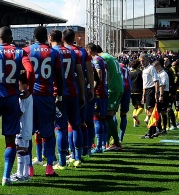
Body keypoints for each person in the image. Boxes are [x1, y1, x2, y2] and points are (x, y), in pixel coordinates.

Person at [0, 26, 30, 185]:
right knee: (10, 140)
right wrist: (29, 89)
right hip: (11, 99)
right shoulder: (20, 52)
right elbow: (30, 70)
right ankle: (6, 177)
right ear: (11, 39)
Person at [23, 26, 63, 177]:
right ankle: (50, 167)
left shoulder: (26, 50)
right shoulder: (53, 52)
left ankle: (29, 168)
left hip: (30, 96)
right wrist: (59, 97)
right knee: (49, 132)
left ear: (34, 36)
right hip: (46, 96)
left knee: (27, 132)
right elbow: (59, 78)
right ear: (46, 37)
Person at [49, 29, 85, 168]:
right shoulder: (72, 51)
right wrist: (82, 93)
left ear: (51, 37)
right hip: (73, 92)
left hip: (59, 94)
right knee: (76, 125)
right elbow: (80, 73)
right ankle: (77, 158)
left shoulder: (52, 52)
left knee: (60, 128)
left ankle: (62, 161)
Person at [92, 45, 123, 151]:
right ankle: (107, 142)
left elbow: (101, 74)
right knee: (109, 116)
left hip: (111, 88)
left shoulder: (101, 58)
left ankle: (115, 142)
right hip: (118, 87)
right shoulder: (110, 57)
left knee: (106, 117)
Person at [11, 71, 33, 182]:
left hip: (22, 127)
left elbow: (20, 112)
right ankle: (25, 174)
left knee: (19, 149)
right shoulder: (29, 94)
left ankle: (20, 174)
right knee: (25, 149)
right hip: (28, 127)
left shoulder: (23, 95)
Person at [140, 55, 160, 139]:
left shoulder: (151, 68)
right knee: (148, 112)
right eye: (141, 61)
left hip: (151, 90)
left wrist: (156, 92)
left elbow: (156, 81)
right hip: (147, 91)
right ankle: (153, 130)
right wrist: (143, 95)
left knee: (150, 112)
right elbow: (144, 84)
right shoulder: (144, 70)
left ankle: (152, 131)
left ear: (147, 60)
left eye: (143, 60)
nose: (142, 62)